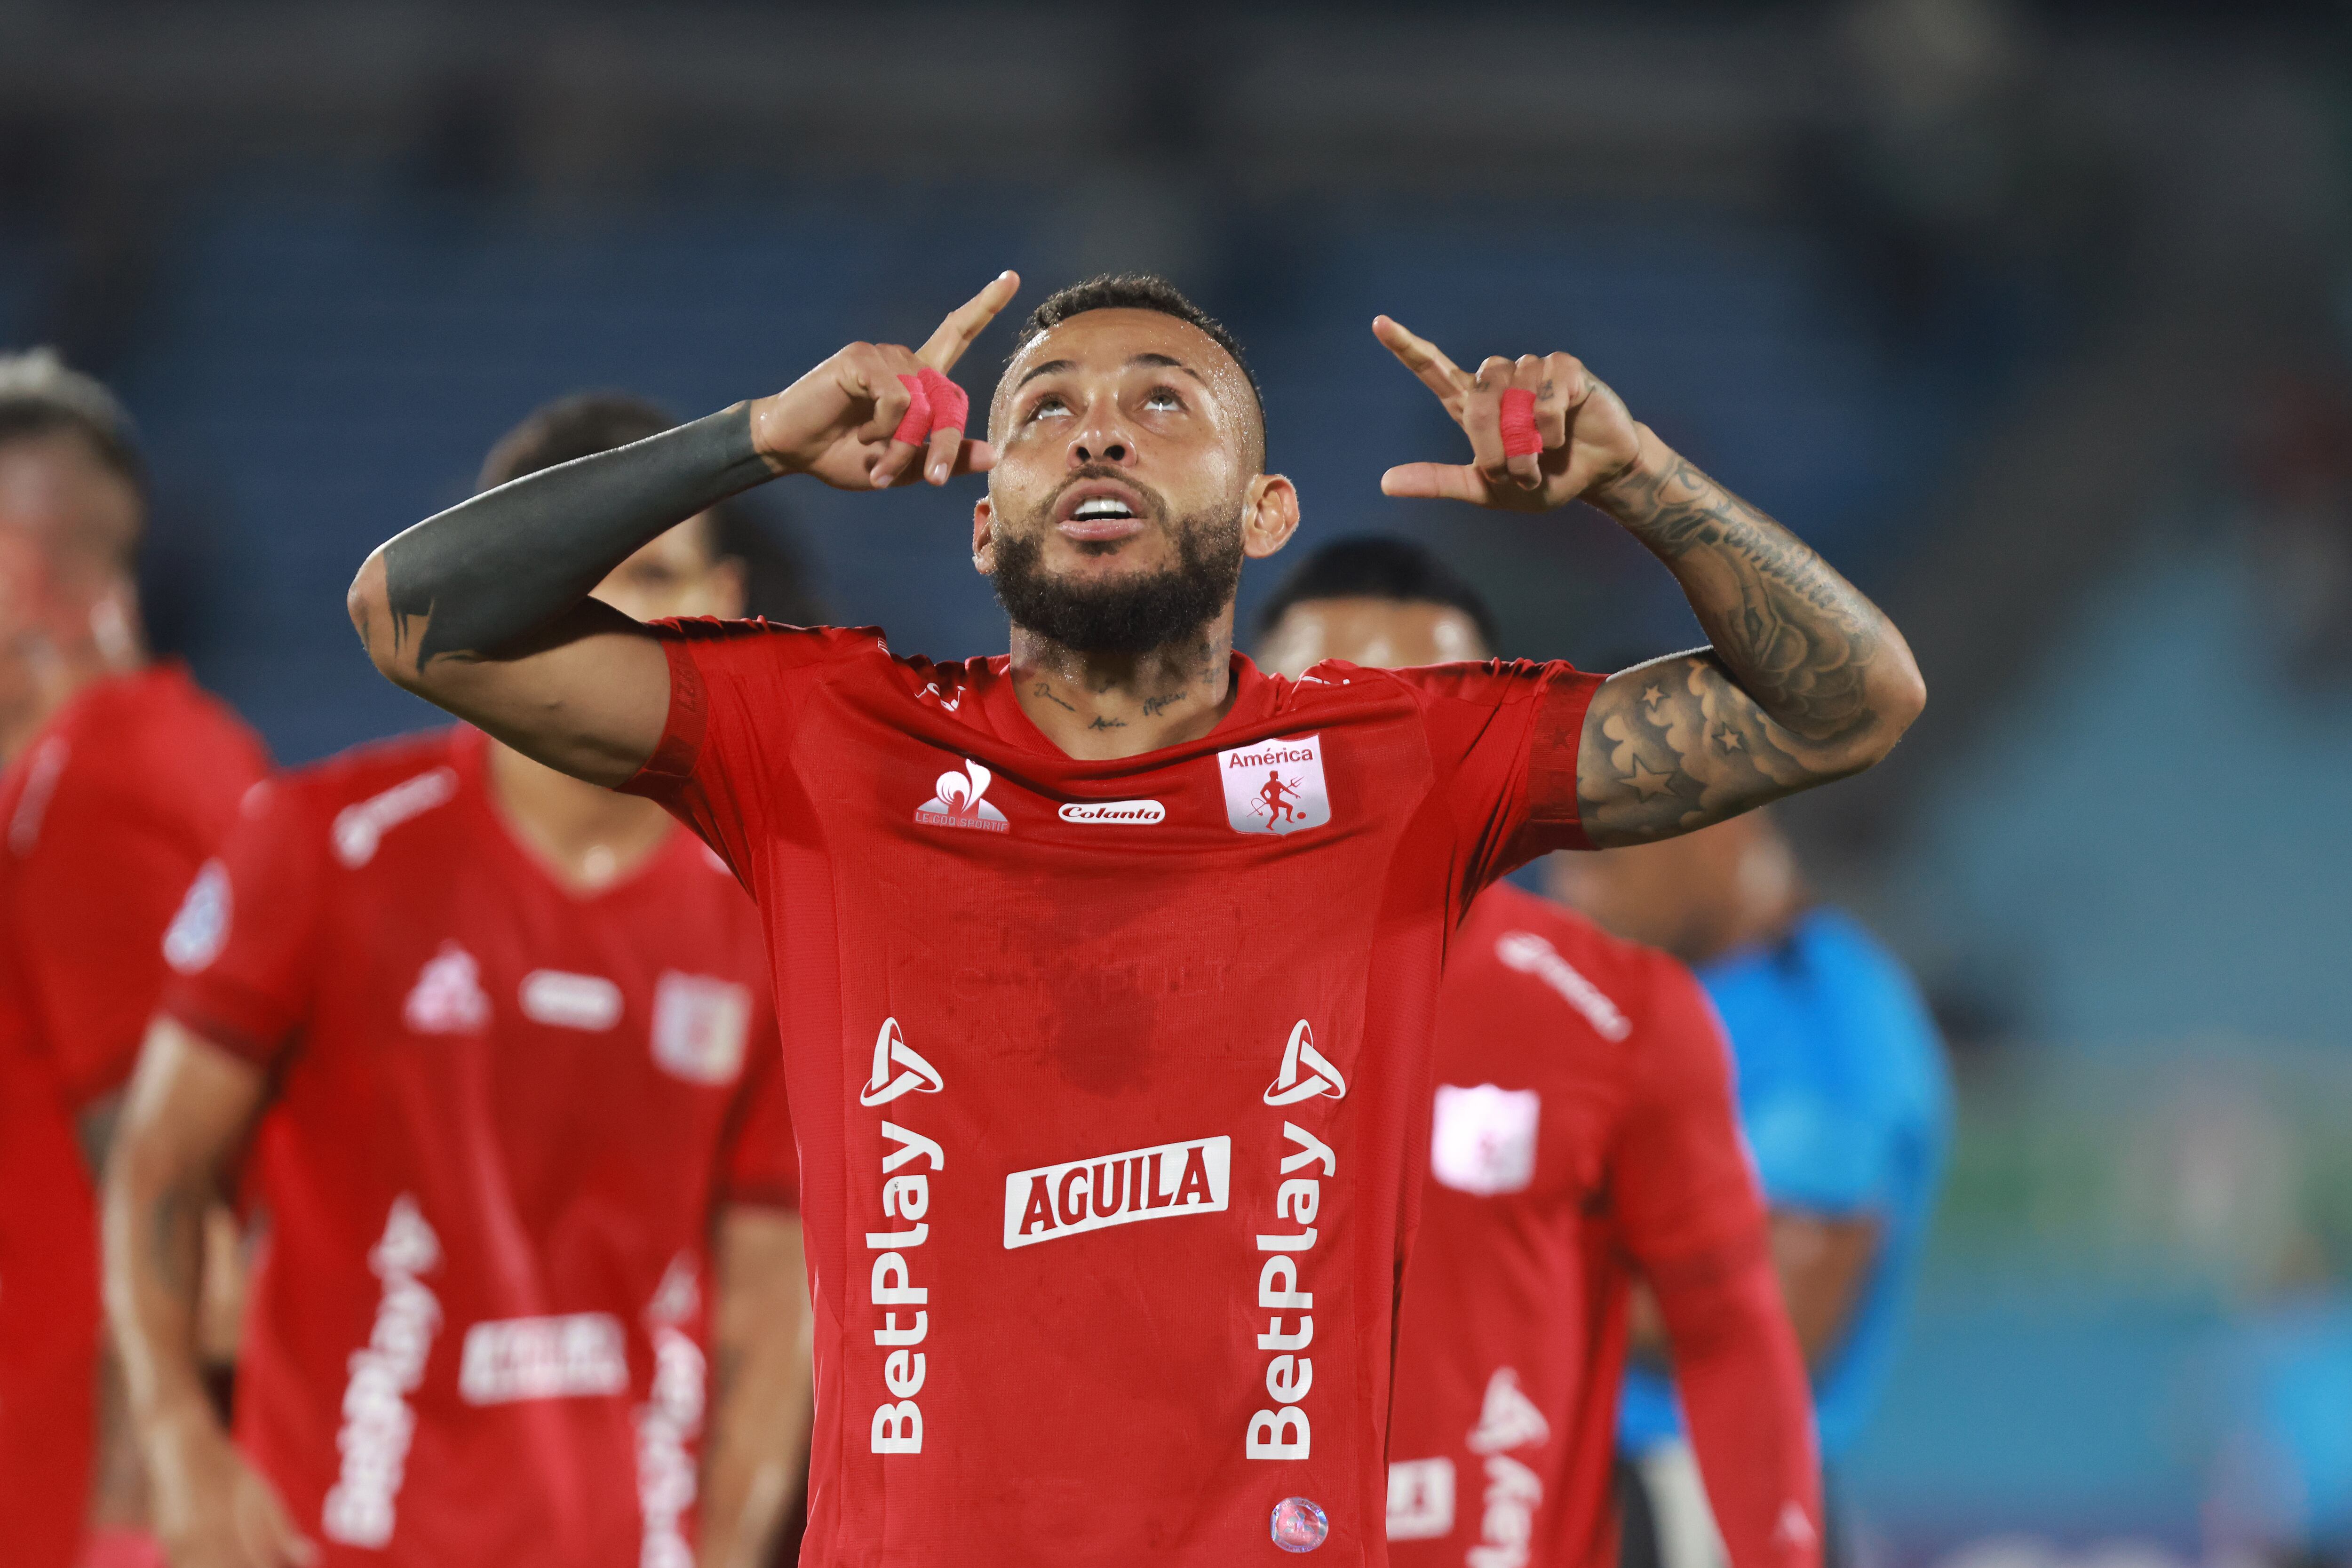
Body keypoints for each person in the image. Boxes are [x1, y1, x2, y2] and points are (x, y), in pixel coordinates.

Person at [344, 269, 1927, 1563]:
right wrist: (756, 437)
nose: (1099, 436)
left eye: (1163, 405)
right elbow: (415, 616)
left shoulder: (1396, 765)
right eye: (1047, 412)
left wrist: (1640, 485)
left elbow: (1848, 704)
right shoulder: (826, 739)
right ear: (982, 518)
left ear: (1264, 512)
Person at [104, 395, 813, 1568]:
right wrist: (182, 1446)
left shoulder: (770, 914)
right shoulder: (322, 846)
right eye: (577, 575)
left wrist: (731, 1546)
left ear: (726, 598)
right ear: (506, 585)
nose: (620, 616)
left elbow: (768, 1297)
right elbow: (160, 1167)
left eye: (656, 571)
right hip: (327, 1537)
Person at [1257, 536, 1819, 1568]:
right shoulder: (1116, 1006)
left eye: (1430, 712)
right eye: (1324, 711)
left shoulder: (1614, 1013)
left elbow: (1729, 1330)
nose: (1376, 753)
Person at [0, 349, 272, 1568]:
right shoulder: (191, 752)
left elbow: (177, 1198)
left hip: (77, 1502)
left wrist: (124, 1531)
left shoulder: (89, 790)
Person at [1550, 813, 1950, 1568]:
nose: (1570, 892)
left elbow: (1779, 1318)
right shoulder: (1614, 987)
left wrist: (1492, 1265)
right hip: (1559, 1481)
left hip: (1692, 1499)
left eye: (1604, 864)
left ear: (1722, 828)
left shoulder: (1829, 1024)